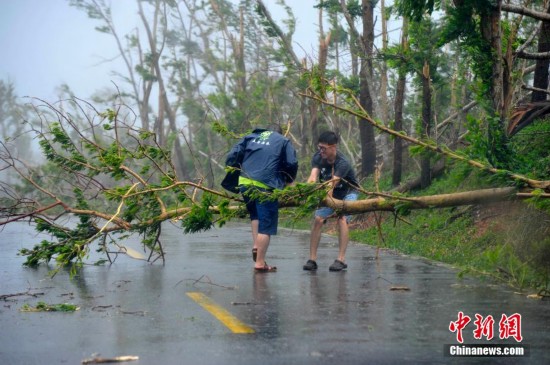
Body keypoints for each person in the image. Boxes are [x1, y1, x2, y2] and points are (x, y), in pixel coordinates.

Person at [223, 125, 298, 272]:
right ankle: (260, 263)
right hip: (265, 184)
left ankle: (256, 246)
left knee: (255, 216)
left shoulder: (251, 136)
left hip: (245, 182)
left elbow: (233, 154)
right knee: (266, 225)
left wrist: (234, 173)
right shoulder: (283, 140)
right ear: (278, 132)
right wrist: (288, 181)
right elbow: (291, 163)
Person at [303, 131, 359, 272]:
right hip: (328, 192)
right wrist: (304, 192)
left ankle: (341, 259)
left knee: (342, 219)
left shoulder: (343, 162)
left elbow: (331, 184)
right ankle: (312, 259)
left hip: (347, 193)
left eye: (324, 148)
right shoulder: (317, 157)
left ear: (333, 147)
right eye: (319, 147)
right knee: (318, 219)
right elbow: (313, 177)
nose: (321, 151)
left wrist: (324, 198)